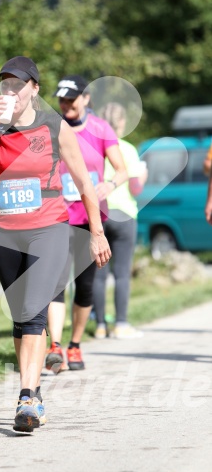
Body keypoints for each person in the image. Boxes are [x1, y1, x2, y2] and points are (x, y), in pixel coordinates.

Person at [0, 56, 111, 433]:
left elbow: (83, 182)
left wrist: (95, 232)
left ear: (34, 89)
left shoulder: (55, 127)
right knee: (20, 315)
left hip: (49, 227)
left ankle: (26, 395)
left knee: (33, 310)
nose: (10, 90)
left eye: (18, 84)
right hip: (5, 230)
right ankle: (35, 392)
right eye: (5, 84)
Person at [46, 75, 127, 373]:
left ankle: (75, 345)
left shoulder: (100, 129)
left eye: (71, 98)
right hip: (57, 215)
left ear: (86, 99)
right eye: (62, 99)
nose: (65, 103)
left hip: (90, 219)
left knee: (86, 285)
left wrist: (108, 185)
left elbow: (122, 170)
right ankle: (55, 346)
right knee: (55, 283)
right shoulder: (51, 129)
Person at [92, 102, 148, 339]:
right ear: (122, 123)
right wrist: (142, 176)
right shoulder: (127, 149)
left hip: (99, 214)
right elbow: (135, 189)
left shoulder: (93, 148)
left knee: (98, 273)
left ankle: (101, 325)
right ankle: (122, 324)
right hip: (124, 214)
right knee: (122, 273)